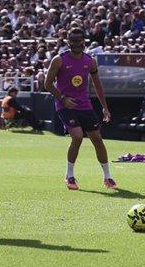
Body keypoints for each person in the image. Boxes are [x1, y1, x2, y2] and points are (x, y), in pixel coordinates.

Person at [44, 27, 116, 191]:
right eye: (73, 40)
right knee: (77, 137)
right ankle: (69, 175)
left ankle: (108, 177)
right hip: (64, 105)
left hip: (84, 105)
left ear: (84, 41)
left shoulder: (90, 61)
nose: (76, 43)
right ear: (68, 41)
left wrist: (105, 108)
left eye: (79, 40)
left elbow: (98, 85)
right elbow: (47, 84)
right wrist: (62, 98)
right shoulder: (59, 60)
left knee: (97, 139)